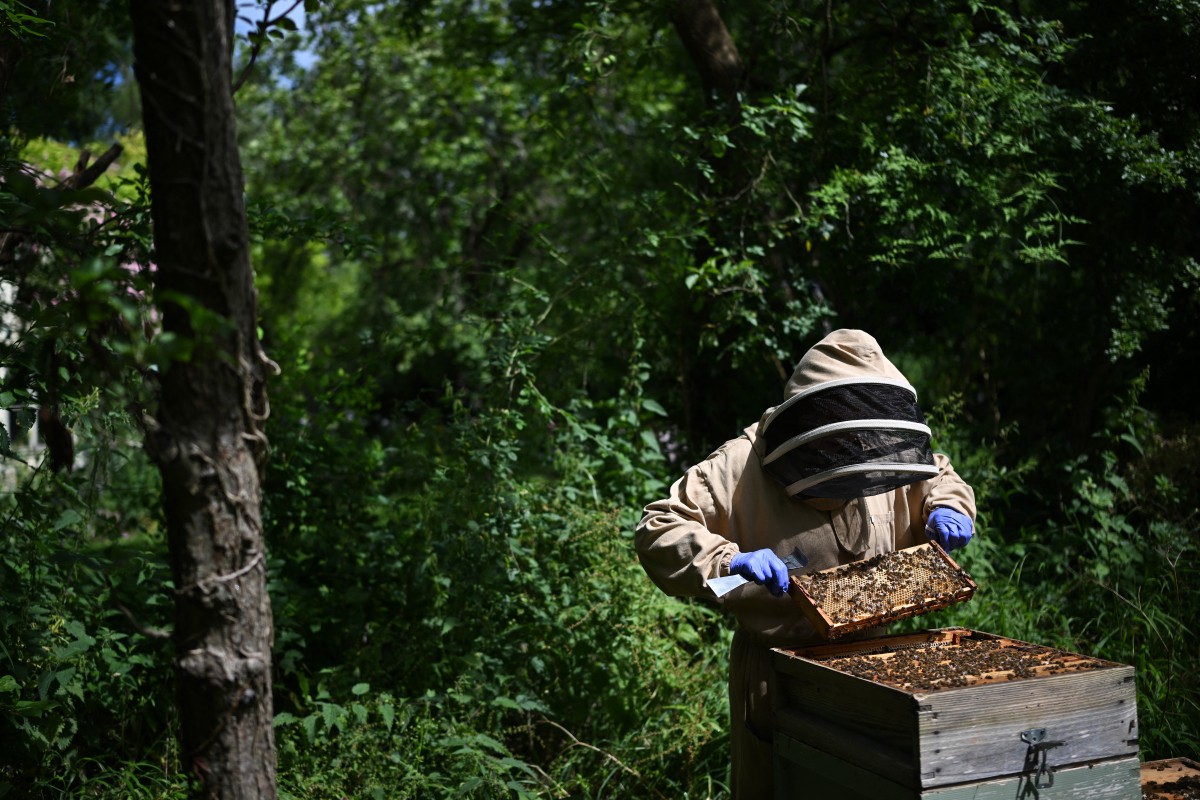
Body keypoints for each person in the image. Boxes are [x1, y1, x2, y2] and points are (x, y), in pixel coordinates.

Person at [634, 329, 976, 799]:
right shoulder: (740, 464)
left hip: (879, 661)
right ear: (812, 422)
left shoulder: (875, 441)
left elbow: (936, 474)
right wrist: (727, 559)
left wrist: (948, 506)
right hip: (778, 673)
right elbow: (657, 527)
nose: (855, 461)